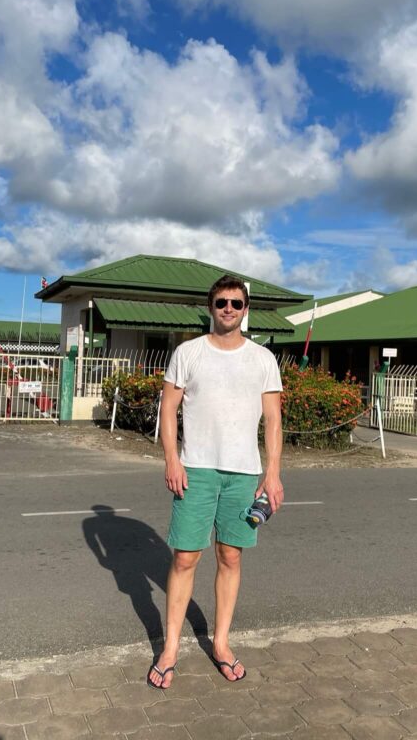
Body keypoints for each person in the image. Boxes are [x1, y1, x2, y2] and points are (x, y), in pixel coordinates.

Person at [146, 275, 283, 690]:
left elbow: (274, 419)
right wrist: (172, 458)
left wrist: (272, 473)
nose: (228, 309)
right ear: (211, 307)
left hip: (243, 472)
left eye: (236, 303)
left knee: (231, 557)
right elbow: (168, 409)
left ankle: (220, 643)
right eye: (221, 302)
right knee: (186, 557)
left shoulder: (262, 359)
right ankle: (170, 649)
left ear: (246, 309)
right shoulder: (189, 353)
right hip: (196, 469)